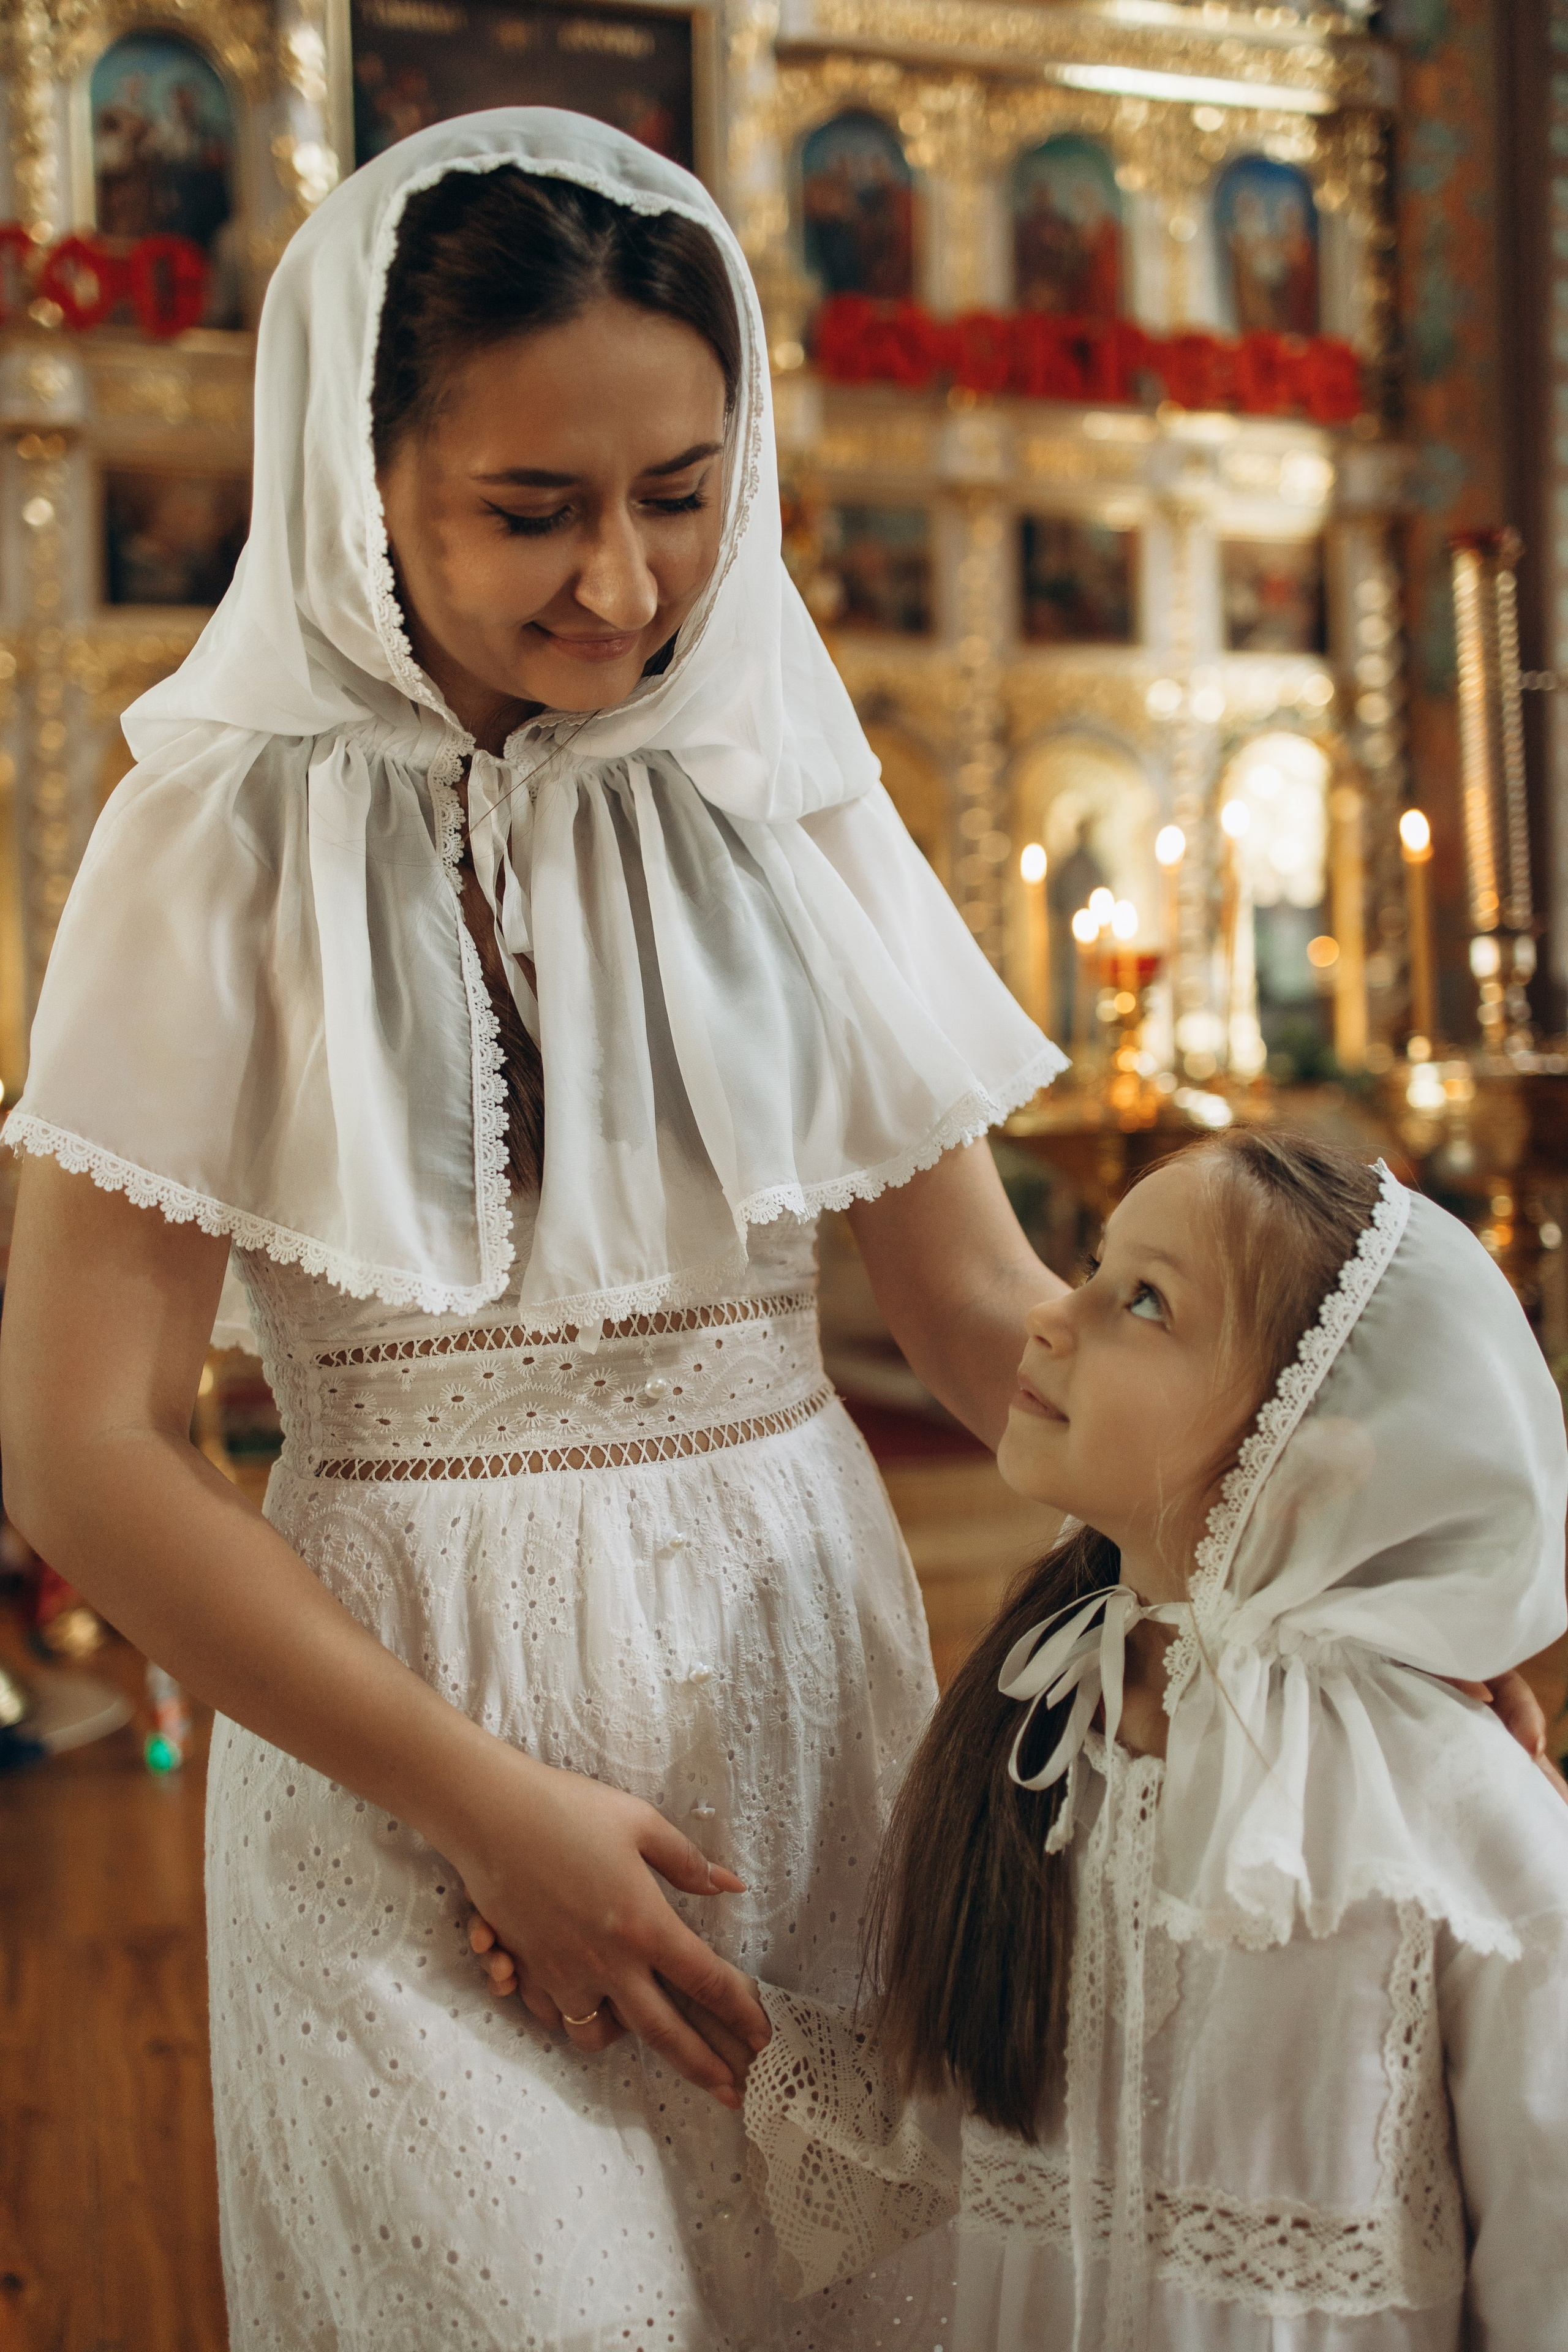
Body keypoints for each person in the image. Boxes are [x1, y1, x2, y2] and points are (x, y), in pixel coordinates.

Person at [0, 110, 1070, 2350]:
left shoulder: (780, 784)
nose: (626, 584)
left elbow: (984, 1317)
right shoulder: (212, 831)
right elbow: (83, 1448)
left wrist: (1325, 1560)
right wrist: (486, 1814)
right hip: (402, 1742)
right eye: (531, 512)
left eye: (682, 497)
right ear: (357, 474)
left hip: (808, 1709)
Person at [728, 1133, 1568, 2349]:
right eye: (1089, 1266)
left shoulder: (1450, 1809)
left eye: (1140, 1302)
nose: (1050, 1319)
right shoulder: (1034, 1737)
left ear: (1312, 1465)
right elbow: (962, 2153)